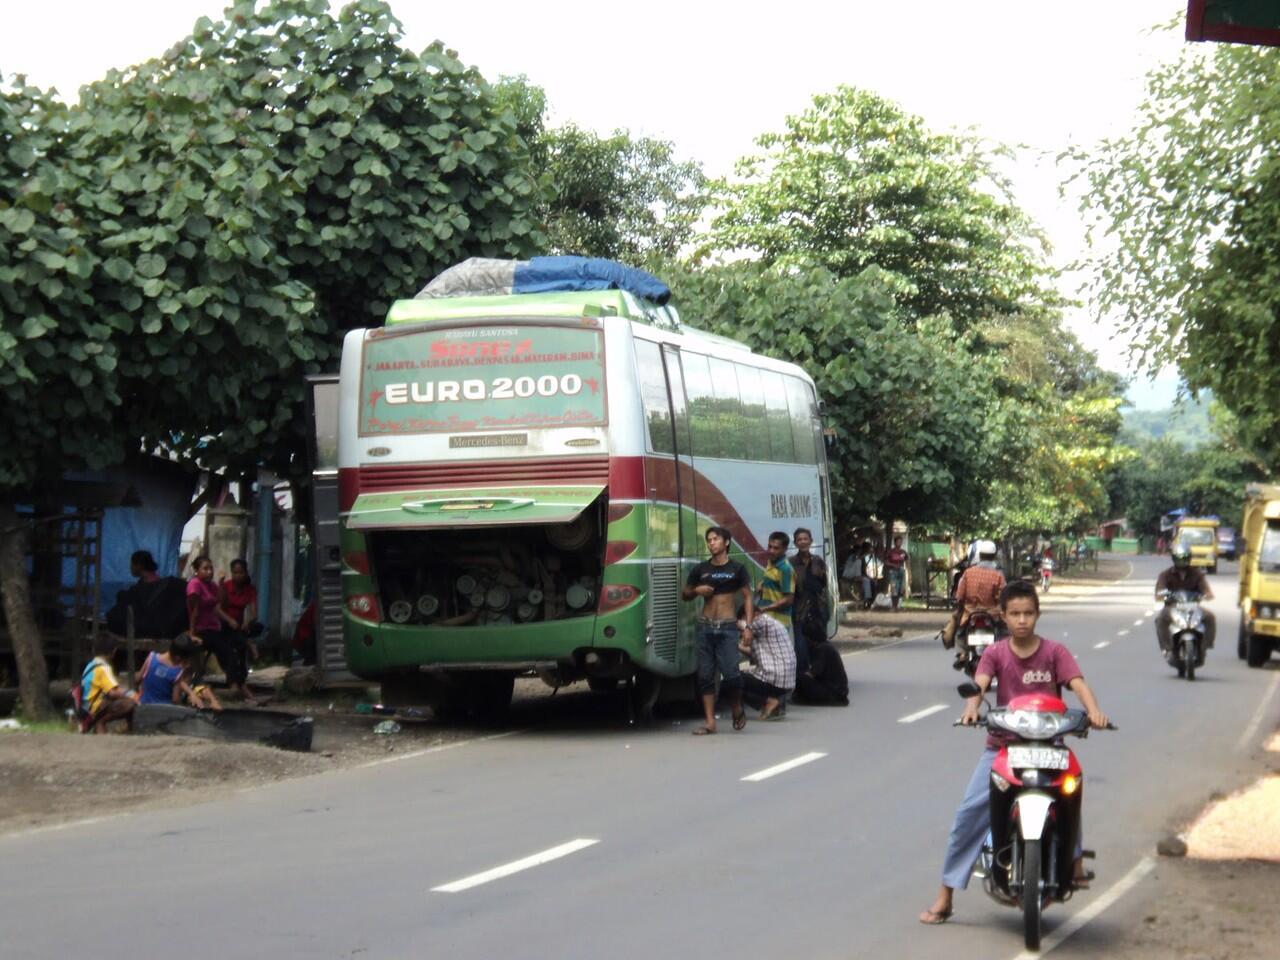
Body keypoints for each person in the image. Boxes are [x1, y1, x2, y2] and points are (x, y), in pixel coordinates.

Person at [919, 579, 1109, 925]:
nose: (1022, 620)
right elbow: (980, 683)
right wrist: (972, 708)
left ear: (1038, 615)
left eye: (1028, 613)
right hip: (1004, 747)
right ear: (1003, 617)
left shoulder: (1055, 652)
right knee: (969, 814)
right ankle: (946, 894)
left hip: (1049, 747)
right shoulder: (995, 653)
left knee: (1071, 790)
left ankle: (1076, 862)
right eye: (1015, 614)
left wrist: (1094, 711)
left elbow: (1078, 684)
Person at [682, 526, 754, 735]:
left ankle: (736, 706)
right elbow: (685, 593)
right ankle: (709, 722)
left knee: (731, 674)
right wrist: (697, 590)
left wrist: (748, 626)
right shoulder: (701, 569)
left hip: (728, 627)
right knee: (705, 675)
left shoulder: (737, 569)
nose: (711, 543)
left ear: (726, 543)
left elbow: (748, 597)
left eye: (715, 539)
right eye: (709, 540)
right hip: (705, 627)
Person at [186, 555, 257, 705]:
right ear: (196, 570)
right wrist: (192, 633)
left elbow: (221, 601)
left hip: (214, 628)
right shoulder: (194, 584)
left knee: (229, 651)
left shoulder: (211, 585)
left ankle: (236, 684)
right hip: (201, 629)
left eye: (211, 568)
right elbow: (194, 610)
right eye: (205, 569)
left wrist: (220, 583)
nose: (209, 571)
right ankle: (232, 685)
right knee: (221, 649)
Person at [940, 539, 1006, 651]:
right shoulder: (998, 575)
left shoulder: (968, 573)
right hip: (992, 613)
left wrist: (960, 606)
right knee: (1005, 631)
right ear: (994, 556)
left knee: (959, 631)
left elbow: (960, 595)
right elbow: (1004, 596)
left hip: (969, 612)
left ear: (980, 555)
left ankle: (961, 653)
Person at [1154, 546, 1216, 653]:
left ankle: (1205, 645)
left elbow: (1206, 589)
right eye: (1179, 558)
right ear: (1174, 558)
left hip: (1193, 606)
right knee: (1160, 619)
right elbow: (1159, 590)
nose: (1181, 561)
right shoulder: (1165, 575)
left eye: (1184, 558)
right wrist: (1161, 595)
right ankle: (1167, 648)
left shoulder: (1197, 574)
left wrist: (1207, 594)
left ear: (1189, 558)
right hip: (1172, 607)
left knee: (1210, 617)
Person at [135, 634, 222, 710]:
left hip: (144, 705)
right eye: (186, 661)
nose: (187, 663)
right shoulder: (177, 672)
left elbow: (138, 679)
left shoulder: (151, 657)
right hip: (165, 709)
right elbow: (175, 700)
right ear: (179, 658)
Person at [738, 612, 796, 720]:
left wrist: (740, 624)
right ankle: (772, 704)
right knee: (742, 675)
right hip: (785, 681)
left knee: (733, 679)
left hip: (775, 679)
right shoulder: (770, 627)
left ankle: (769, 702)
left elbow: (740, 624)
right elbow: (755, 655)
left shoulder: (763, 621)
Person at [791, 527, 829, 670]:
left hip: (818, 611)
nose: (802, 542)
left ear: (811, 541)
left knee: (819, 649)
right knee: (801, 651)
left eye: (805, 539)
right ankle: (803, 683)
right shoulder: (791, 563)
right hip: (800, 612)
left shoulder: (818, 561)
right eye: (799, 539)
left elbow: (824, 585)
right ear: (795, 543)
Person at [757, 531, 798, 668]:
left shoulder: (785, 569)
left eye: (776, 548)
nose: (771, 551)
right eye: (770, 546)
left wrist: (765, 608)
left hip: (779, 623)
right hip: (766, 620)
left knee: (777, 662)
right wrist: (762, 585)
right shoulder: (771, 563)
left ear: (785, 549)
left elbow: (788, 599)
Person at [79, 634, 135, 733]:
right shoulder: (104, 668)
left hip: (85, 706)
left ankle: (104, 726)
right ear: (114, 651)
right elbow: (112, 692)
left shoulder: (91, 664)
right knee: (130, 703)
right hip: (94, 708)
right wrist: (132, 694)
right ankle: (101, 722)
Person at [220, 558, 264, 662]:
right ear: (232, 573)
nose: (238, 576)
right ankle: (249, 644)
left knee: (258, 627)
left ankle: (246, 645)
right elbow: (217, 608)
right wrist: (229, 620)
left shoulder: (250, 589)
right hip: (224, 622)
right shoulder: (226, 586)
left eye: (241, 573)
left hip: (239, 624)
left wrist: (248, 622)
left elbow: (254, 614)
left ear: (245, 573)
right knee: (231, 630)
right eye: (235, 573)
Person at [794, 626, 849, 706]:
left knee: (802, 679)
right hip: (839, 689)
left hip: (833, 691)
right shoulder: (827, 646)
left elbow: (814, 672)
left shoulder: (821, 649)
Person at [884, 536, 909, 611]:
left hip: (901, 571)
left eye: (901, 541)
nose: (899, 543)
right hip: (893, 571)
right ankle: (893, 606)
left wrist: (908, 572)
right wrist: (893, 565)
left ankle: (897, 605)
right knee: (894, 588)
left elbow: (907, 561)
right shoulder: (891, 552)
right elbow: (886, 562)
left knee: (900, 589)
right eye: (898, 541)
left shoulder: (903, 552)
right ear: (895, 542)